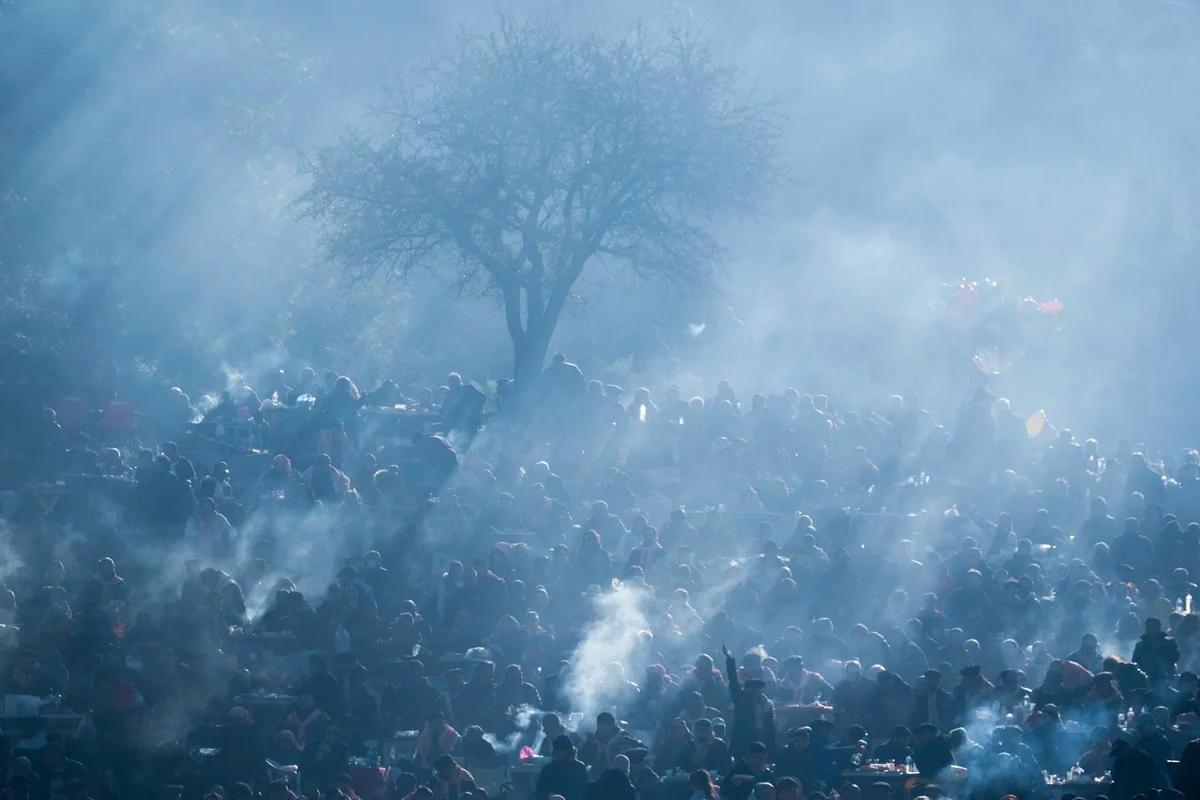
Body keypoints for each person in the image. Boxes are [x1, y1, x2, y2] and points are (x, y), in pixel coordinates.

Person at [536, 736, 589, 800]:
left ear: (570, 751)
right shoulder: (548, 769)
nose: (560, 754)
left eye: (562, 751)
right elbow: (540, 790)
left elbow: (583, 791)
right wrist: (549, 795)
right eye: (558, 751)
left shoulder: (579, 768)